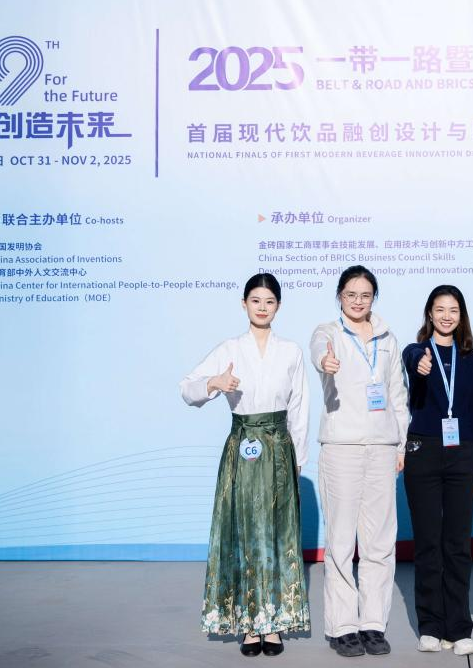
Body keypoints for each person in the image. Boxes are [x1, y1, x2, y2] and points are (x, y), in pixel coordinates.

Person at [179, 272, 309, 657]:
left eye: (269, 301)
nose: (262, 307)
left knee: (277, 535)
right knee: (245, 534)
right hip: (242, 447)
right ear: (243, 303)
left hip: (279, 448)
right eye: (255, 300)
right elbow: (187, 389)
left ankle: (275, 623)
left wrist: (297, 459)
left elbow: (299, 408)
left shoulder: (291, 351)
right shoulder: (229, 348)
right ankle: (249, 623)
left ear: (278, 306)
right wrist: (214, 383)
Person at [310, 265, 409, 657]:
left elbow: (397, 395)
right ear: (340, 296)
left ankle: (372, 624)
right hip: (342, 447)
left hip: (382, 448)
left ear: (373, 298)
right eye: (350, 294)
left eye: (365, 295)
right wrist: (325, 362)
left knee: (379, 541)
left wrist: (399, 445)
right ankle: (343, 626)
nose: (357, 301)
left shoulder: (388, 338)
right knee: (340, 540)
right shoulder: (328, 333)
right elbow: (318, 351)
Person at [401, 285, 473, 656]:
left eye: (453, 310)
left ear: (461, 315)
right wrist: (419, 364)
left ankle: (459, 627)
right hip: (423, 450)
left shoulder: (471, 358)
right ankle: (431, 626)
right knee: (428, 543)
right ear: (429, 313)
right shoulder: (417, 351)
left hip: (461, 454)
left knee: (457, 544)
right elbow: (411, 360)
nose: (446, 316)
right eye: (440, 309)